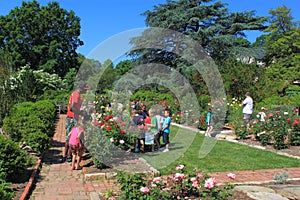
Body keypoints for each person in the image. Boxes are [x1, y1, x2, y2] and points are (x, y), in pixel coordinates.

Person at [64, 82, 90, 162]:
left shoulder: (76, 94)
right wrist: (81, 113)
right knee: (71, 137)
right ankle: (68, 156)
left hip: (72, 117)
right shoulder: (76, 94)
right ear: (82, 88)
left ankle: (66, 155)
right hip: (72, 118)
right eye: (85, 90)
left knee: (69, 137)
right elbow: (72, 108)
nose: (86, 91)